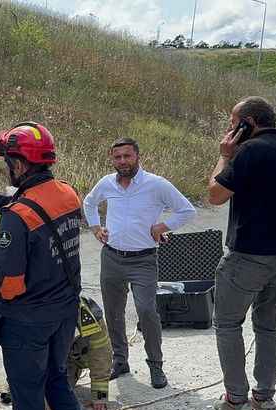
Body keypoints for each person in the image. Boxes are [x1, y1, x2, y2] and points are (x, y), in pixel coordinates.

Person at [0, 122, 94, 410]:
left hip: (28, 322)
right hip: (64, 311)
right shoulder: (68, 193)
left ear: (19, 164)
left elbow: (11, 287)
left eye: (8, 163)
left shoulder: (15, 217)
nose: (7, 169)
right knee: (56, 377)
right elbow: (37, 209)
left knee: (27, 393)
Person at [207, 96, 276, 410]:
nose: (230, 130)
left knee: (228, 323)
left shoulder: (249, 150)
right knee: (269, 324)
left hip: (248, 258)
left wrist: (224, 156)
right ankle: (265, 398)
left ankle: (236, 401)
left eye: (234, 125)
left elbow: (215, 195)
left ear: (249, 123)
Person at [82, 138, 196, 389]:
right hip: (112, 257)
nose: (122, 161)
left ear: (137, 156)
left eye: (127, 156)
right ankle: (120, 361)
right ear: (112, 159)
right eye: (117, 157)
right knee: (113, 312)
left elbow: (186, 210)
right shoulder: (107, 183)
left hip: (143, 259)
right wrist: (95, 227)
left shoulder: (156, 185)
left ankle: (156, 365)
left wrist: (162, 226)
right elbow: (89, 202)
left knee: (146, 311)